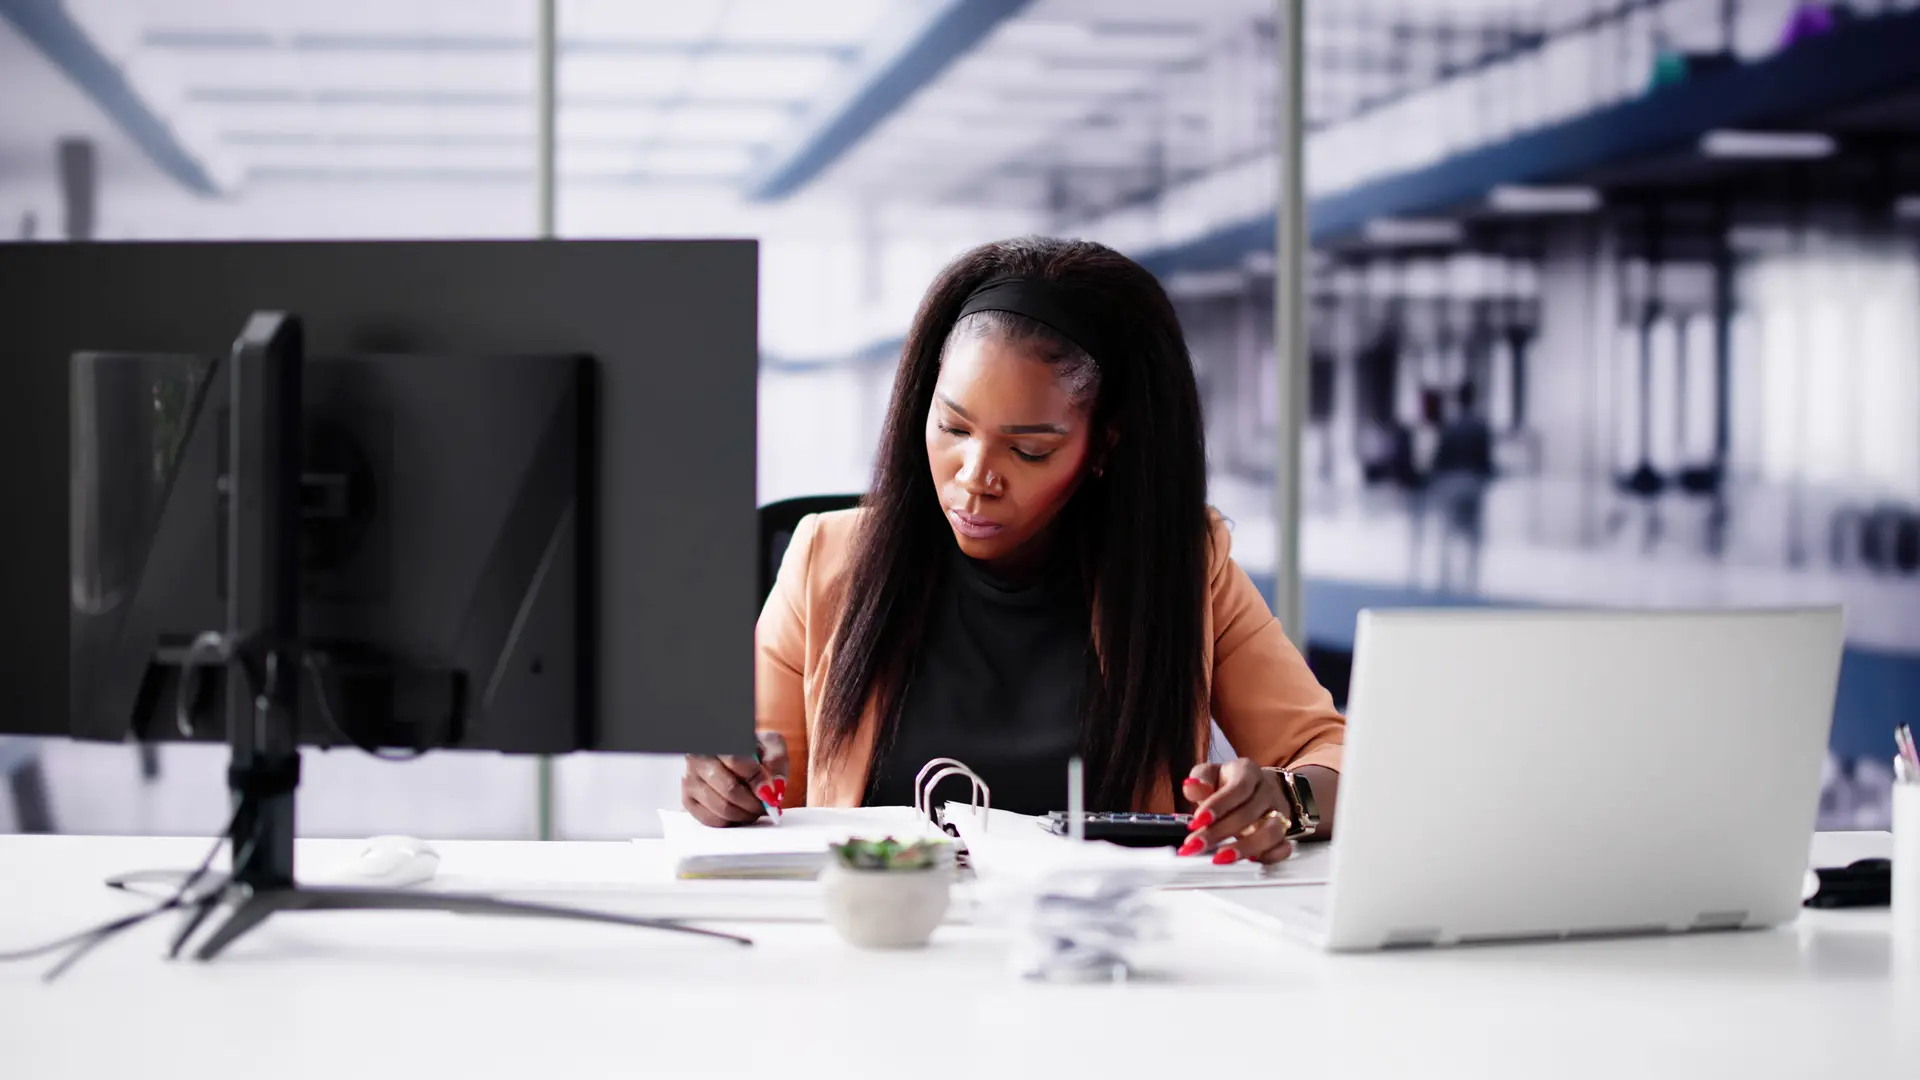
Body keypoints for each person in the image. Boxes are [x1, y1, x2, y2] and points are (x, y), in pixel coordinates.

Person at [683, 237, 1345, 865]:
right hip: (889, 939)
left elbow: (1334, 753)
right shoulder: (824, 558)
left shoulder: (1180, 569)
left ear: (1104, 446)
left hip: (1094, 945)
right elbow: (764, 798)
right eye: (951, 426)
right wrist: (728, 786)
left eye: (1029, 449)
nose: (975, 476)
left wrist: (1289, 800)